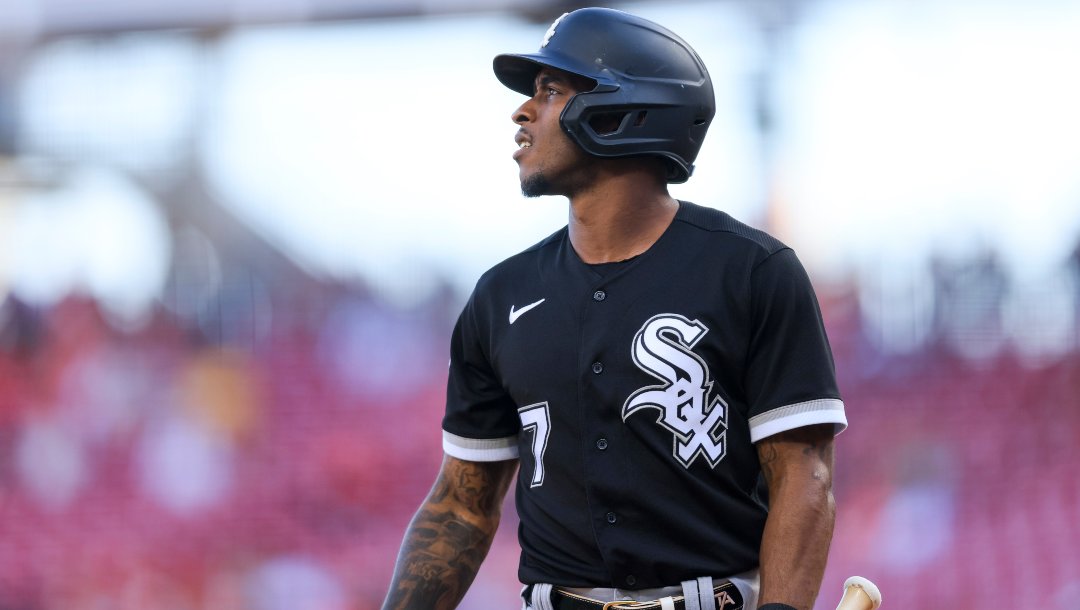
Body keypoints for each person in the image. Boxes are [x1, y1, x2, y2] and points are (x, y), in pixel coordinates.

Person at [382, 7, 847, 610]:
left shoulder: (753, 272)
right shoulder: (500, 296)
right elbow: (461, 508)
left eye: (550, 90)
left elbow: (804, 477)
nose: (522, 112)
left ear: (622, 111)